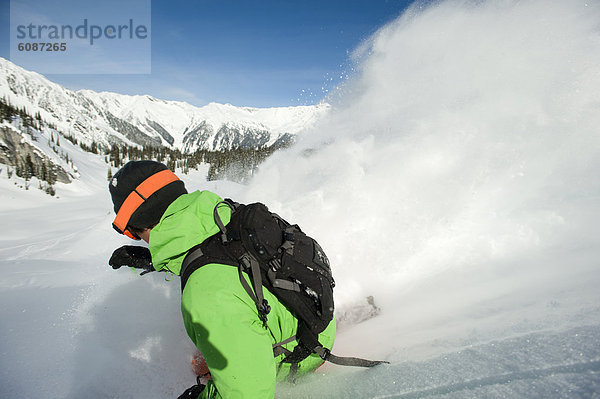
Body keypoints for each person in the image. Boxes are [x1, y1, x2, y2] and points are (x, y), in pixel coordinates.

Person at [108, 160, 336, 399]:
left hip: (302, 353)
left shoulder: (206, 297)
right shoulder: (220, 212)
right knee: (205, 357)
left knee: (199, 365)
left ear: (137, 226)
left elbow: (248, 394)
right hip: (315, 317)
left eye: (130, 232)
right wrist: (155, 259)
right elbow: (219, 255)